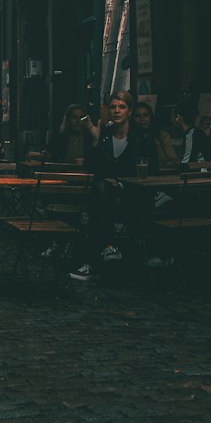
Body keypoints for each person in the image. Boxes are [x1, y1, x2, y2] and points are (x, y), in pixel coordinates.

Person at [69, 91, 157, 282]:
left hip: (134, 198)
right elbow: (91, 168)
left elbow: (152, 173)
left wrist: (123, 184)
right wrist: (94, 139)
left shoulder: (142, 137)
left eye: (122, 107)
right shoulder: (105, 136)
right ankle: (106, 249)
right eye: (113, 107)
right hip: (107, 198)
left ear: (129, 111)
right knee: (101, 192)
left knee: (99, 203)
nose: (117, 111)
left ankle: (97, 258)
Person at [172, 98, 211, 164]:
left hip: (204, 172)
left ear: (179, 117)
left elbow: (186, 161)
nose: (172, 119)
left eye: (174, 116)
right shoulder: (196, 132)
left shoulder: (191, 134)